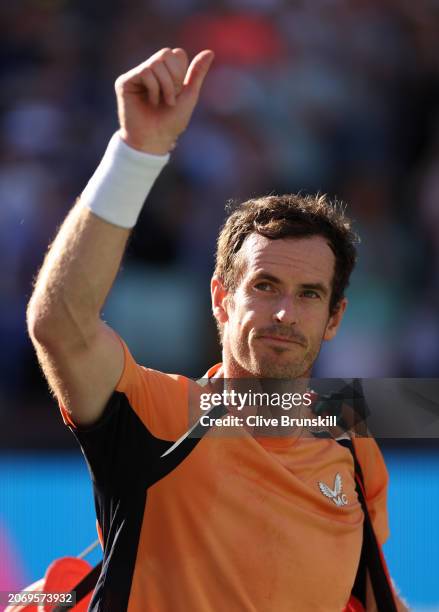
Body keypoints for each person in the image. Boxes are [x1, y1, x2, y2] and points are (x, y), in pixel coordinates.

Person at [27, 48, 409, 611]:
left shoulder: (353, 449)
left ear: (335, 319)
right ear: (221, 299)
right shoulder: (160, 416)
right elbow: (60, 325)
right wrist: (137, 153)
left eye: (308, 296)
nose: (284, 313)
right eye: (264, 286)